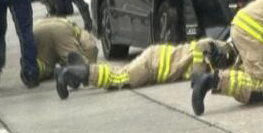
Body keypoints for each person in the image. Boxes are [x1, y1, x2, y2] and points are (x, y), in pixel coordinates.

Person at [54, 38, 236, 99]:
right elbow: (201, 46)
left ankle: (77, 72)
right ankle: (69, 72)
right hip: (155, 65)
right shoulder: (217, 47)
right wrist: (198, 75)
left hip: (156, 61)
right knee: (117, 79)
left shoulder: (225, 55)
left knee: (118, 73)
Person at [33, 17, 98, 81]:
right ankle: (65, 73)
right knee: (76, 64)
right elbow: (90, 46)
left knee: (44, 67)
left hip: (37, 30)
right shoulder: (82, 32)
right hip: (60, 29)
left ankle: (35, 72)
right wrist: (90, 63)